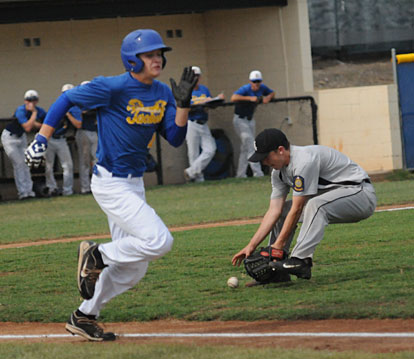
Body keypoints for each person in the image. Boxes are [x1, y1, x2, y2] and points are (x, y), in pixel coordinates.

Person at [25, 29, 196, 342]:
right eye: (149, 54)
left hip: (134, 184)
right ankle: (98, 255)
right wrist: (41, 137)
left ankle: (84, 316)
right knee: (160, 241)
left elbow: (175, 138)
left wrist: (183, 105)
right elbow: (66, 98)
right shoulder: (113, 86)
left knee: (134, 268)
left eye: (159, 53)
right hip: (110, 182)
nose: (157, 58)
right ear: (132, 60)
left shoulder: (162, 92)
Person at [232, 128, 377, 281]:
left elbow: (297, 208)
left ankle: (300, 260)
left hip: (360, 194)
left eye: (266, 157)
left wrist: (278, 244)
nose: (264, 162)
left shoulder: (304, 161)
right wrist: (252, 245)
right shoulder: (278, 173)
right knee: (284, 212)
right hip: (336, 195)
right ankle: (277, 270)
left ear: (280, 150)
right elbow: (274, 211)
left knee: (316, 205)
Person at [1, 90, 45, 200]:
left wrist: (39, 124)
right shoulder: (21, 110)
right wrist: (34, 114)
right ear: (25, 101)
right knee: (19, 164)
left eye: (34, 100)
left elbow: (46, 119)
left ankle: (29, 192)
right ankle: (23, 193)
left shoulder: (39, 110)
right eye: (29, 100)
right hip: (10, 137)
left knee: (26, 163)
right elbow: (28, 127)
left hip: (21, 137)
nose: (31, 102)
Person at [183, 66, 224, 182]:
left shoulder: (204, 89)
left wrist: (216, 100)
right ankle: (198, 179)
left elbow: (210, 103)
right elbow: (186, 107)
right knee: (193, 152)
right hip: (191, 123)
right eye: (193, 76)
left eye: (197, 76)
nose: (195, 78)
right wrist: (203, 102)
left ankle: (191, 172)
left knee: (210, 149)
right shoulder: (187, 90)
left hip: (203, 122)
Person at [231, 70, 275, 178]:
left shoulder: (262, 87)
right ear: (250, 82)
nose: (256, 84)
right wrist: (249, 98)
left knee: (245, 148)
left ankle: (240, 174)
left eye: (258, 81)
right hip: (240, 120)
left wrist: (267, 98)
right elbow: (234, 97)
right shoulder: (245, 89)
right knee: (250, 145)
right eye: (254, 81)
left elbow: (272, 92)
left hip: (250, 120)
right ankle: (257, 173)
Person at [44, 84, 81, 196]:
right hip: (50, 139)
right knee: (49, 166)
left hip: (61, 140)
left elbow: (78, 124)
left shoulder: (75, 109)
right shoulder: (57, 105)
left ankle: (67, 190)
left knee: (68, 166)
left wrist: (68, 114)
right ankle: (51, 188)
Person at [76, 81, 98, 194]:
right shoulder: (78, 100)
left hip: (94, 131)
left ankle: (97, 186)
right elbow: (81, 113)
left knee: (97, 159)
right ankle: (85, 187)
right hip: (83, 132)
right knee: (84, 161)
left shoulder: (95, 99)